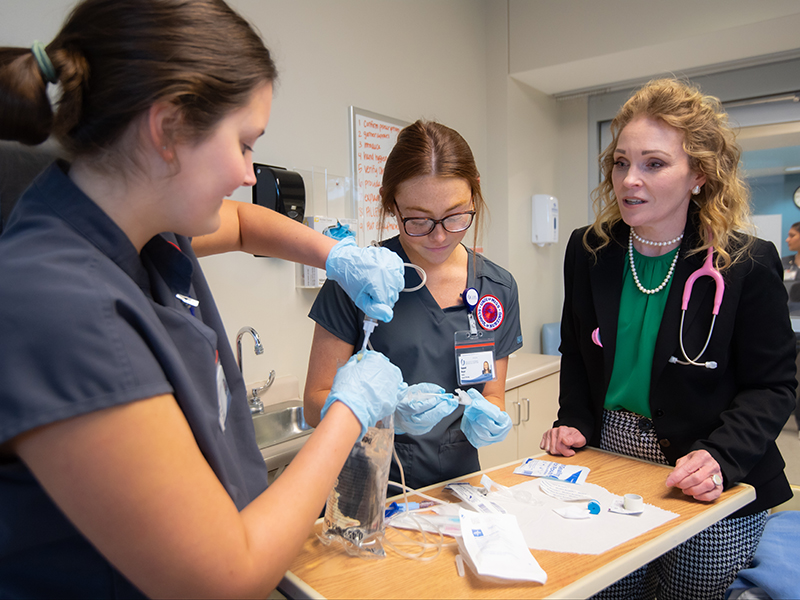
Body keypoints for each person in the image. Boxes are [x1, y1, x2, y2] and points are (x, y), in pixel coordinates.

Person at [0, 1, 408, 598]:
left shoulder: (143, 226)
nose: (249, 171)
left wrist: (335, 255)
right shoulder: (64, 307)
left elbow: (243, 225)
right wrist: (350, 410)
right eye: (244, 143)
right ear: (166, 129)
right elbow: (225, 575)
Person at [540, 78, 797, 600]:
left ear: (698, 174)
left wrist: (721, 457)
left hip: (705, 468)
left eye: (653, 164)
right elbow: (577, 353)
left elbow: (774, 385)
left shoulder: (744, 263)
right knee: (605, 589)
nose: (628, 180)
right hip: (611, 456)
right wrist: (573, 422)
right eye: (620, 162)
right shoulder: (589, 251)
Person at [304, 120, 522, 491]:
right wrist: (388, 414)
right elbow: (314, 405)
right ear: (391, 204)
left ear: (474, 193)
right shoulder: (358, 281)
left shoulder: (496, 287)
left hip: (458, 491)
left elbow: (493, 394)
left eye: (455, 216)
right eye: (418, 220)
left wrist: (491, 416)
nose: (439, 236)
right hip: (368, 494)